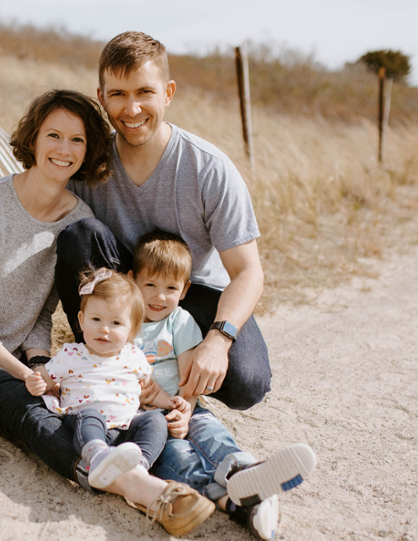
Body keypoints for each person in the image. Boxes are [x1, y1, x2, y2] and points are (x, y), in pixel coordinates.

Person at [0, 89, 213, 536]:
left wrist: (40, 362)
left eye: (77, 140)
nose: (64, 150)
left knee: (43, 395)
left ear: (89, 152)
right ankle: (144, 490)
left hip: (4, 350)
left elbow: (40, 312)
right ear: (33, 139)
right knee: (24, 400)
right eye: (54, 135)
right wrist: (24, 375)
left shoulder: (76, 221)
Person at [56, 31, 272, 414]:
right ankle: (99, 370)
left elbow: (248, 271)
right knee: (79, 236)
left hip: (190, 293)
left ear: (168, 93)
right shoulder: (87, 162)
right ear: (102, 96)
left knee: (247, 385)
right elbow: (31, 217)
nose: (132, 108)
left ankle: (175, 379)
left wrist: (217, 343)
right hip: (121, 288)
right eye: (118, 94)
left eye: (145, 92)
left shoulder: (208, 168)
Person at [129, 230, 317, 540]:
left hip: (185, 405)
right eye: (149, 285)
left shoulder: (179, 321)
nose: (159, 297)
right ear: (132, 279)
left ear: (185, 289)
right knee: (177, 459)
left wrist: (185, 408)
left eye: (170, 288)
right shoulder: (126, 322)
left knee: (211, 435)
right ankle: (245, 503)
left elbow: (188, 374)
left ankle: (243, 468)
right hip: (148, 421)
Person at [25, 269, 197, 495]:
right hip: (89, 426)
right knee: (89, 415)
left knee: (155, 419)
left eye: (116, 323)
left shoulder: (134, 356)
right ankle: (97, 457)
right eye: (96, 319)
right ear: (81, 320)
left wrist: (172, 403)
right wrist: (36, 383)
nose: (104, 329)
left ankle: (139, 466)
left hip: (127, 428)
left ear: (131, 329)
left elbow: (151, 392)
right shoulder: (72, 355)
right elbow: (44, 379)